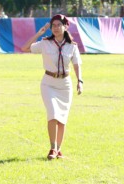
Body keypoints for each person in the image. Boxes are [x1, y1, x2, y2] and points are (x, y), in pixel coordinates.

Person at [21, 14, 83, 160]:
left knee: (62, 118)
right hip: (49, 83)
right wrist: (39, 33)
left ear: (65, 27)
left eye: (58, 25)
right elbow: (25, 48)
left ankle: (59, 149)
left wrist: (80, 81)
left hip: (65, 84)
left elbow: (76, 64)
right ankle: (52, 147)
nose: (55, 28)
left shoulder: (72, 46)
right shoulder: (45, 43)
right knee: (53, 114)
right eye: (53, 25)